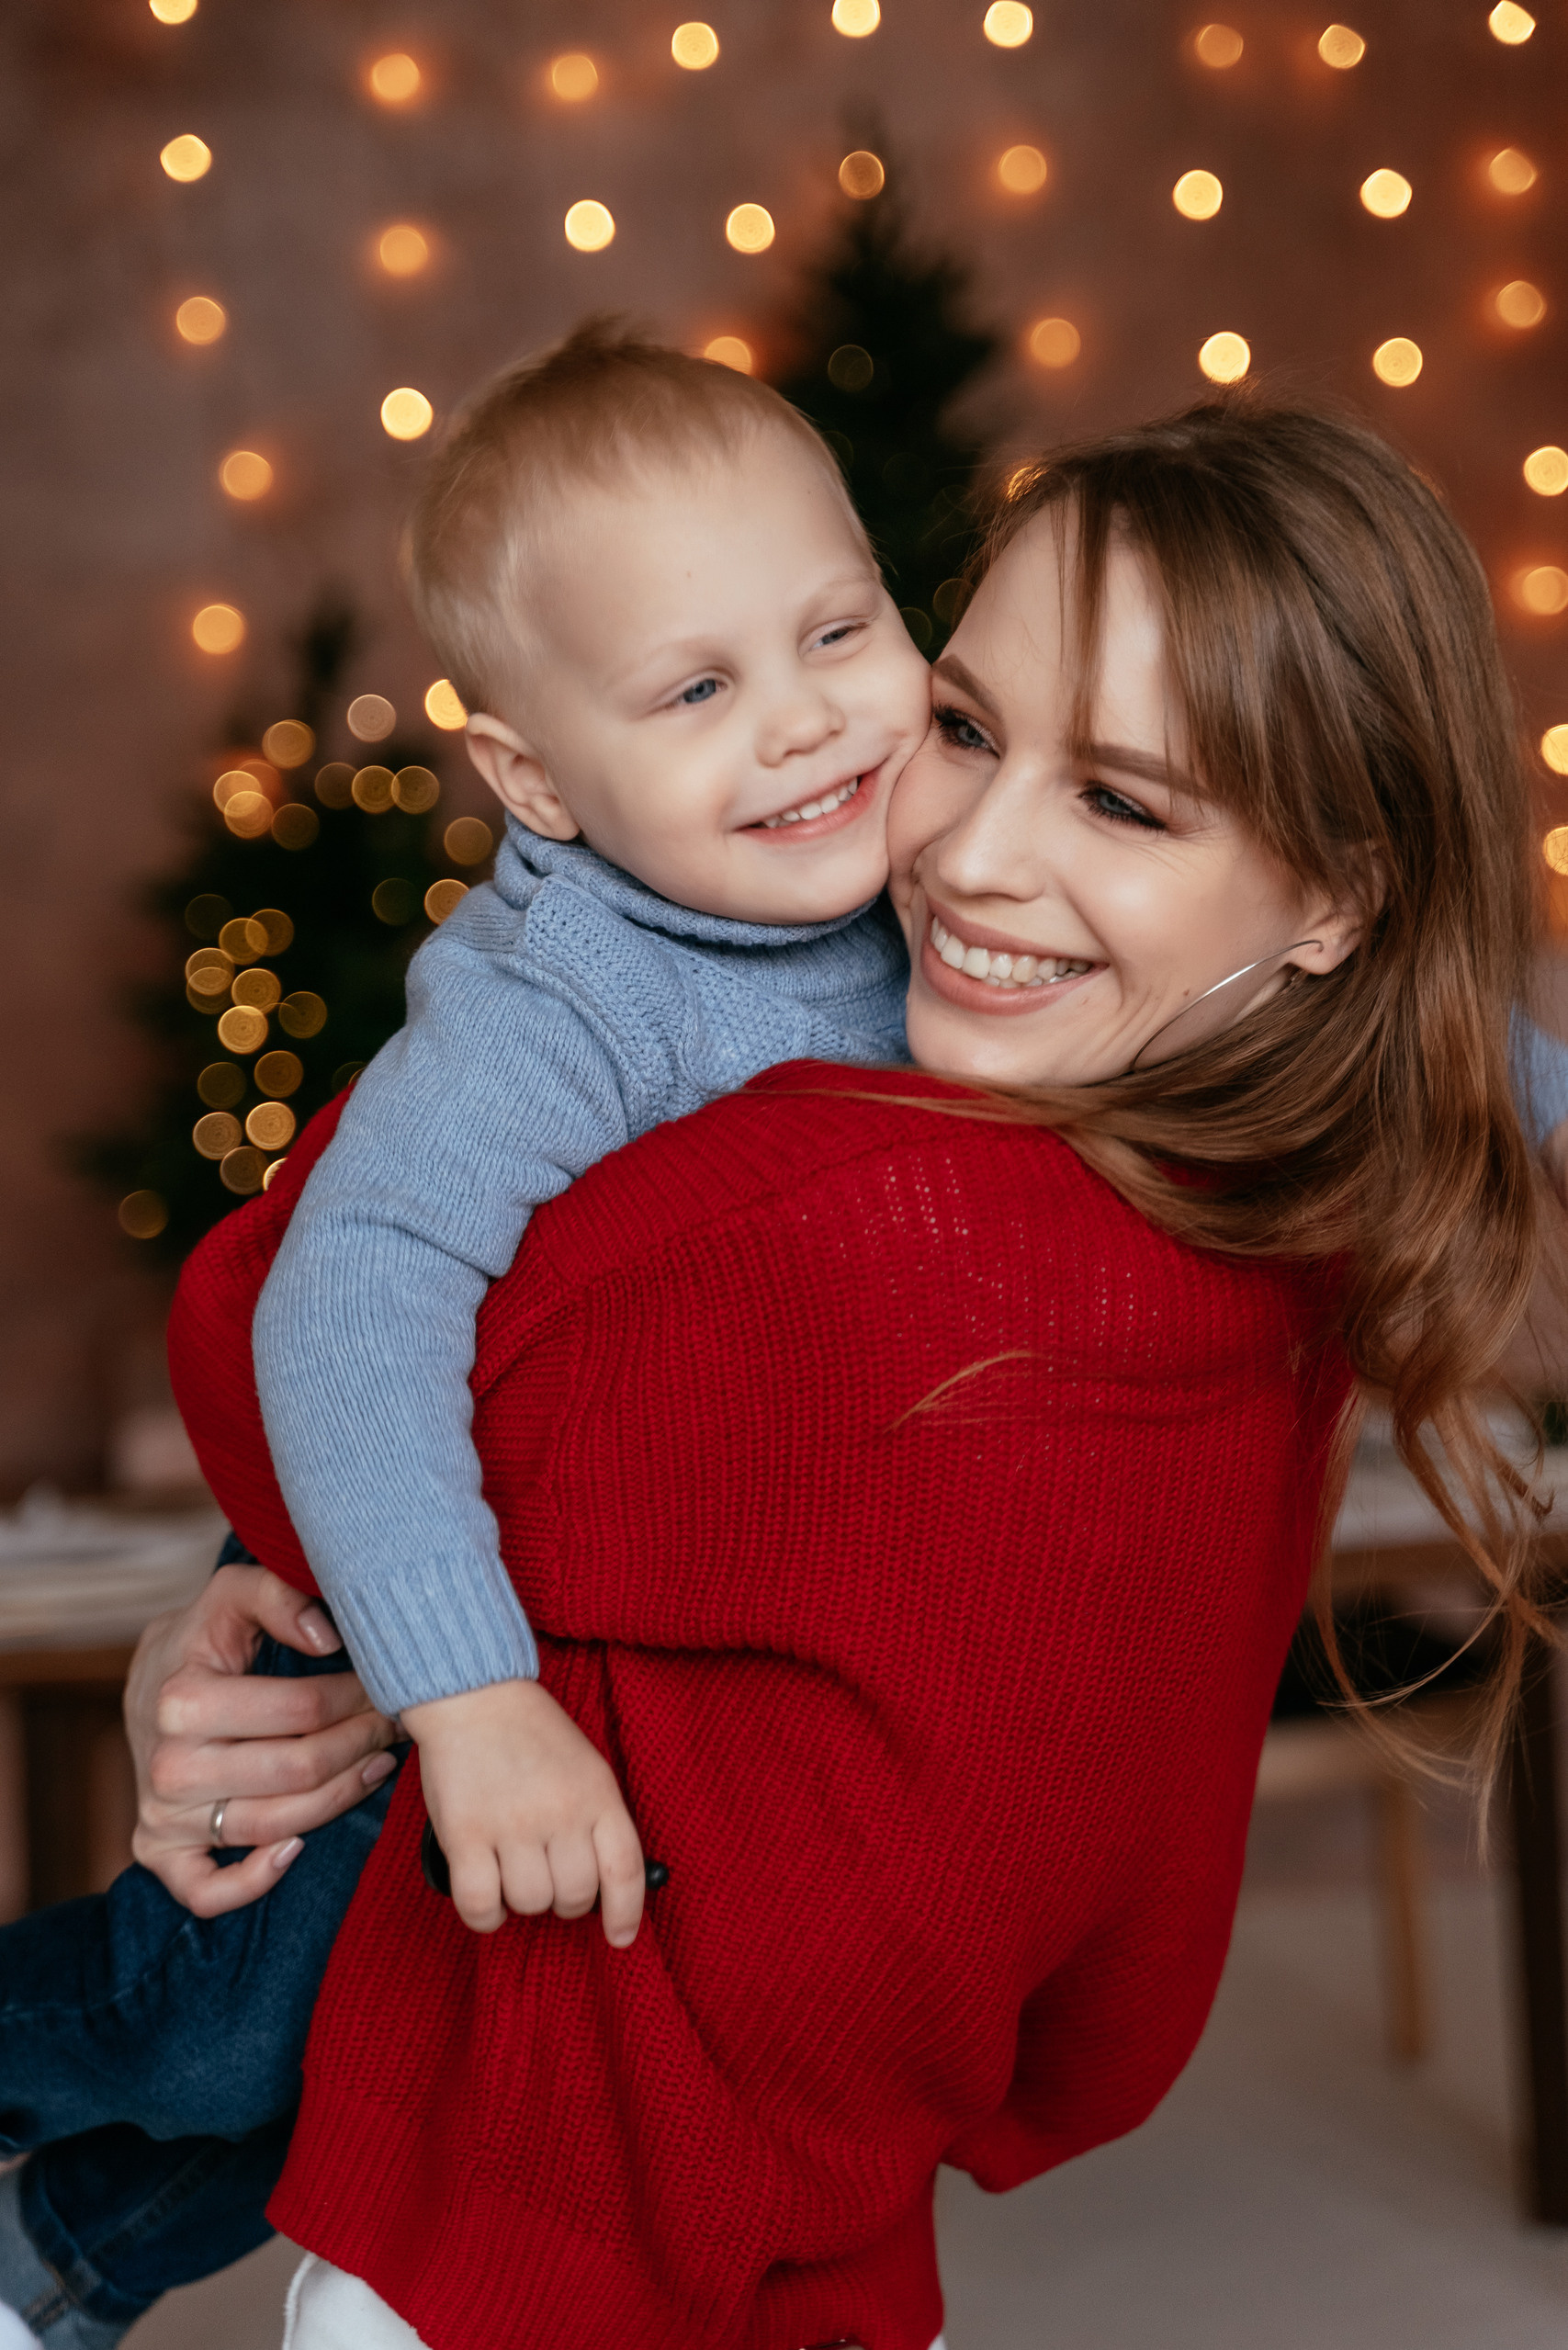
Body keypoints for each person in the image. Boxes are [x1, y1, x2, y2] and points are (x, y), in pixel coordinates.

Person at [4, 397, 1564, 2344]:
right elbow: (312, 1323)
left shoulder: (941, 1189)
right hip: (566, 2071)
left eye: (1125, 799)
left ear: (1338, 896)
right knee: (208, 2024)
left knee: (226, 2032)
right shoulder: (1112, 1128)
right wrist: (417, 1672)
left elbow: (257, 1340)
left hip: (656, 2122)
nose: (964, 850)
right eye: (975, 730)